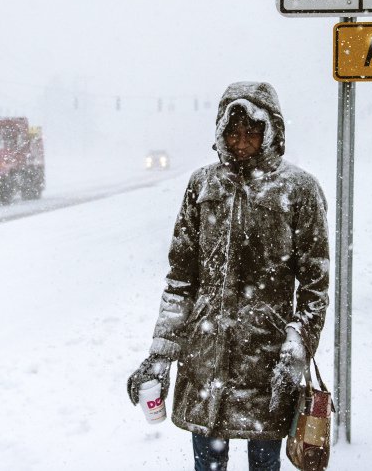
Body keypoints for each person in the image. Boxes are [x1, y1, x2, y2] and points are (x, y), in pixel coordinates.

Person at [126, 81, 330, 471]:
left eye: (251, 132)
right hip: (206, 357)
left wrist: (298, 346)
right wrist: (160, 354)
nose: (241, 142)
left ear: (271, 132)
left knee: (264, 464)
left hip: (267, 360)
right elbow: (180, 278)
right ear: (220, 133)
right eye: (233, 133)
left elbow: (315, 284)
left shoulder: (299, 190)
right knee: (208, 465)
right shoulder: (202, 185)